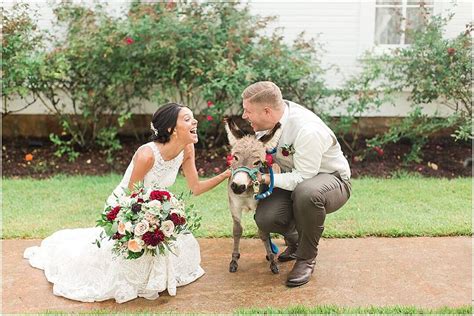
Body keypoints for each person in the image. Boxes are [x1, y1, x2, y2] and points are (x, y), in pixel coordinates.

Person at [23, 103, 231, 303]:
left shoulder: (187, 149)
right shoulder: (147, 155)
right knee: (115, 259)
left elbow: (195, 188)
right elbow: (131, 196)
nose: (195, 121)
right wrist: (147, 222)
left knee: (179, 243)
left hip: (154, 208)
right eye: (187, 119)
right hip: (125, 208)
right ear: (171, 128)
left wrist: (227, 174)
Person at [241, 81, 351, 287]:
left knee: (307, 193)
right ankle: (296, 241)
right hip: (292, 178)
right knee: (266, 218)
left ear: (266, 111)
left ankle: (306, 258)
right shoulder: (269, 120)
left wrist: (265, 178)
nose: (244, 116)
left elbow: (304, 177)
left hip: (332, 180)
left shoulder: (307, 130)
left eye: (248, 111)